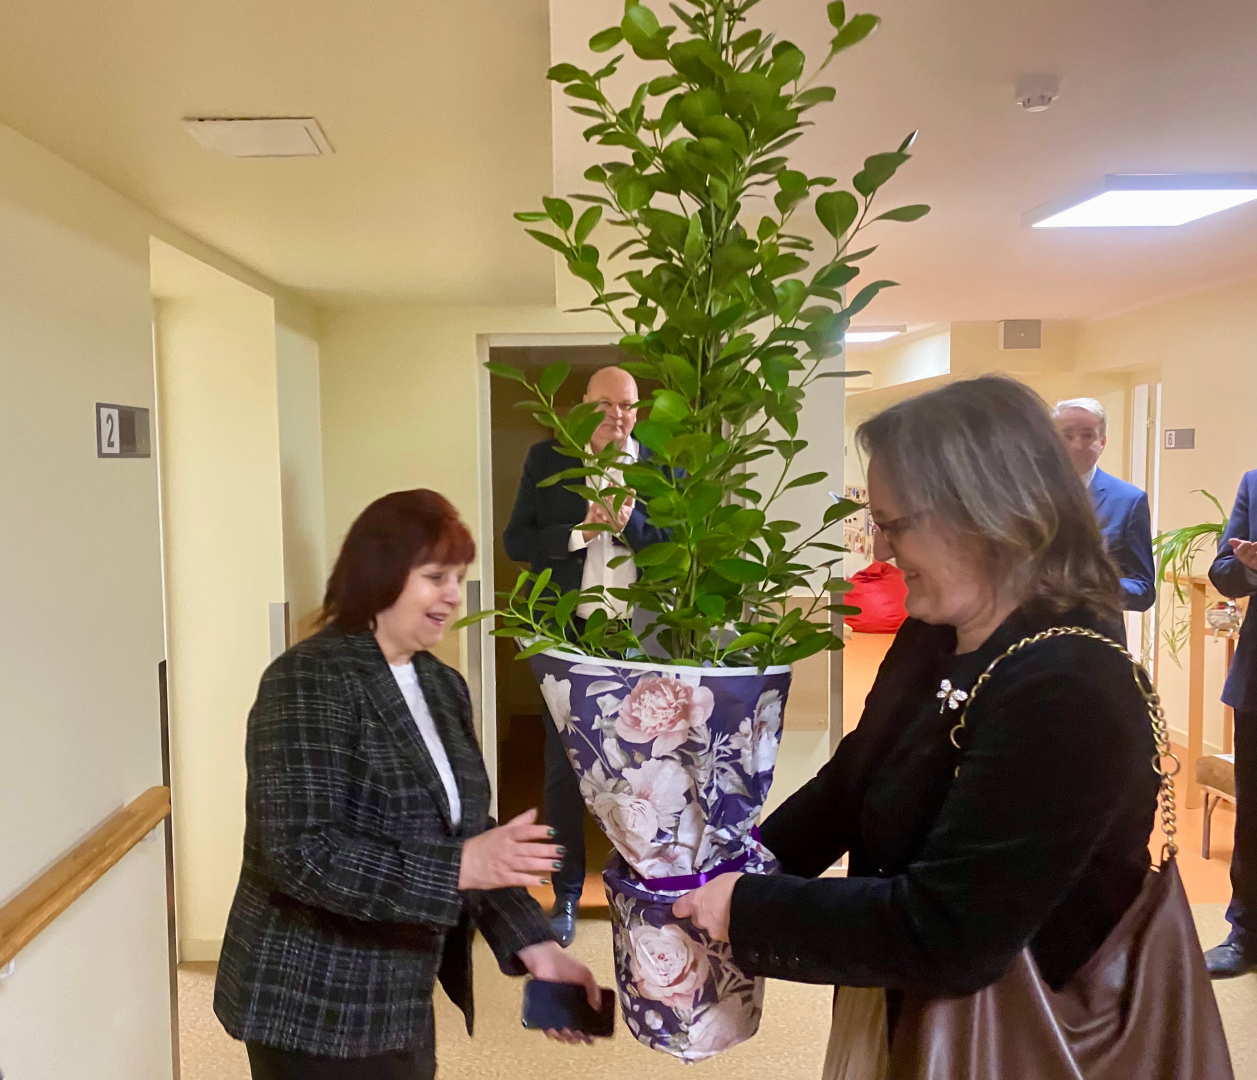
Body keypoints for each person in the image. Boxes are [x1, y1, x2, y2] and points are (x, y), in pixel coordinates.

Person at [674, 376, 1159, 1063]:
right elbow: (853, 780)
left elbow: (951, 932)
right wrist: (736, 867)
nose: (881, 548)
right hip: (910, 1001)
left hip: (1018, 1036)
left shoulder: (1071, 684)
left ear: (986, 514)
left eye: (895, 524)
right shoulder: (935, 632)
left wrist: (747, 908)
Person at [214, 490, 599, 1080]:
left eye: (458, 578)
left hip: (399, 997)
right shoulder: (307, 680)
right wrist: (460, 867)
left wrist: (538, 946)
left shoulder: (442, 685)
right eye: (435, 577)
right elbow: (301, 853)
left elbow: (467, 835)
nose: (454, 594)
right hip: (310, 1003)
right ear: (381, 573)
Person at [503, 365, 670, 944]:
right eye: (605, 404)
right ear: (581, 407)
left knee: (639, 766)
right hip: (566, 634)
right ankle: (567, 894)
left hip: (640, 639)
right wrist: (582, 532)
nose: (617, 416)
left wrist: (630, 525)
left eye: (628, 405)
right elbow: (517, 540)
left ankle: (639, 884)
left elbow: (677, 553)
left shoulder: (660, 468)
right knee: (564, 769)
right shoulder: (547, 460)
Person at [1203, 468, 1257, 978]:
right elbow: (1222, 571)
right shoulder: (1254, 483)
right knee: (1253, 814)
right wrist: (1251, 570)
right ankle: (1246, 935)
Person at [1052, 397, 1156, 617]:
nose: (1076, 445)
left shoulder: (1128, 500)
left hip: (1096, 628)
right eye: (1067, 436)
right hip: (1030, 628)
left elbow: (1143, 589)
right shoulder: (1026, 495)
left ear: (1102, 442)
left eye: (1087, 435)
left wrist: (1096, 585)